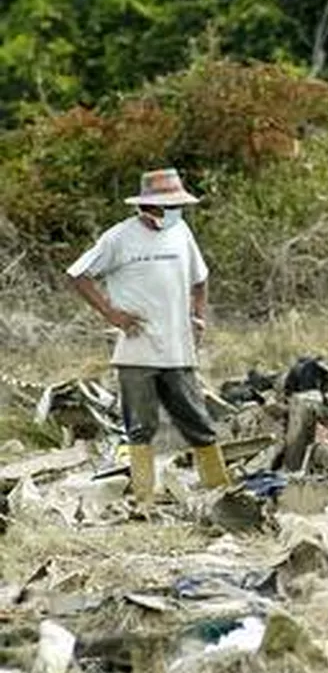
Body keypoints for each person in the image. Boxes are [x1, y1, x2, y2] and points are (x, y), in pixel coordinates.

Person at [67, 168, 230, 504]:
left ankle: (222, 493)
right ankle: (145, 500)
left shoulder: (181, 231)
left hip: (178, 348)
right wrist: (112, 313)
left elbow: (200, 280)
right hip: (136, 350)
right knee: (140, 428)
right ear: (148, 206)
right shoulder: (118, 238)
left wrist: (198, 318)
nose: (174, 212)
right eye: (168, 206)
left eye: (177, 205)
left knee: (198, 422)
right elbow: (79, 274)